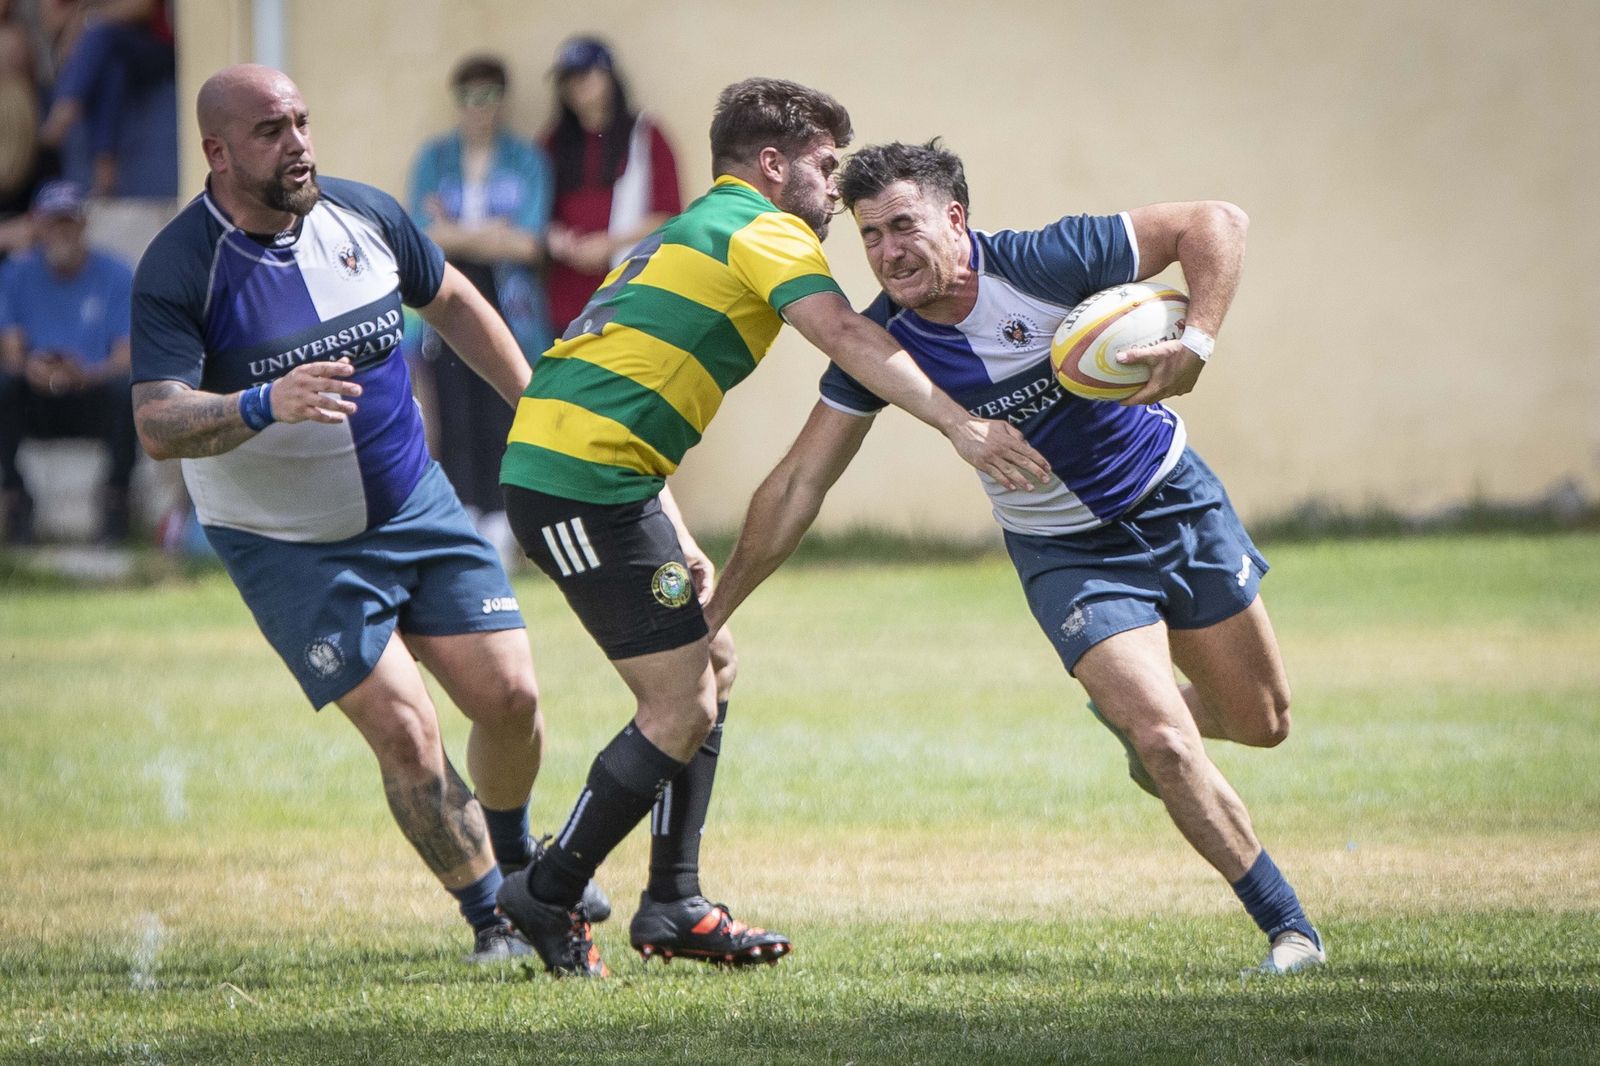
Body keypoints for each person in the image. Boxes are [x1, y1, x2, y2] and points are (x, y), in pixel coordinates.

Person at [702, 140, 1326, 977]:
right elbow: (797, 485)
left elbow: (1217, 223)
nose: (887, 252)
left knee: (1261, 722)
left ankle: (1143, 721)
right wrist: (715, 611)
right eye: (870, 236)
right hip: (1067, 554)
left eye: (903, 226)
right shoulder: (881, 344)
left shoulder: (1044, 260)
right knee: (1167, 744)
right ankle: (1291, 932)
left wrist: (1198, 344)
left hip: (1174, 500)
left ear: (956, 219)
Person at [494, 80, 1050, 977]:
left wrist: (668, 518)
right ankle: (547, 891)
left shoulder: (695, 226)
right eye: (826, 166)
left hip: (610, 478)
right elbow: (847, 335)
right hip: (578, 485)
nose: (835, 189)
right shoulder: (763, 226)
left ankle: (673, 901)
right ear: (772, 165)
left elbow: (620, 378)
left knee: (712, 662)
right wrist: (960, 423)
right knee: (680, 704)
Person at [127, 64, 604, 964]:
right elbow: (157, 423)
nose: (298, 144)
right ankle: (493, 921)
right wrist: (263, 402)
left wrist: (535, 407)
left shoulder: (366, 215)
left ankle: (520, 866)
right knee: (407, 730)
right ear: (217, 153)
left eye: (303, 122)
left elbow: (453, 300)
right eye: (271, 131)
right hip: (291, 546)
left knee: (511, 698)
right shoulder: (181, 265)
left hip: (414, 505)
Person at [407, 53, 552, 568]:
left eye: (487, 96)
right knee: (451, 407)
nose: (477, 108)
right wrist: (491, 232)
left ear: (502, 100)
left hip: (507, 296)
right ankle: (463, 516)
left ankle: (501, 521)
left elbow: (528, 244)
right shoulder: (434, 158)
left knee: (502, 405)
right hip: (445, 293)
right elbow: (421, 239)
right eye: (467, 97)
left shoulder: (526, 160)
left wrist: (456, 232)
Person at [0, 179, 135, 544]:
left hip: (91, 394)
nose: (61, 232)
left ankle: (116, 500)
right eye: (53, 223)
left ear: (83, 224)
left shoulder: (117, 274)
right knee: (4, 385)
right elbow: (12, 353)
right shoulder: (15, 274)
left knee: (129, 390)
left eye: (68, 222)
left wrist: (84, 374)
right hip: (36, 398)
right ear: (38, 227)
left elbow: (125, 358)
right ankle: (14, 497)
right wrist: (34, 369)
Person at [541, 35, 681, 334]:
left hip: (631, 298)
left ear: (609, 76)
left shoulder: (646, 135)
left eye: (584, 74)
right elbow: (537, 213)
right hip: (567, 302)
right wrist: (557, 238)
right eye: (568, 78)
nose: (576, 85)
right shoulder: (553, 142)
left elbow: (669, 216)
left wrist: (609, 244)